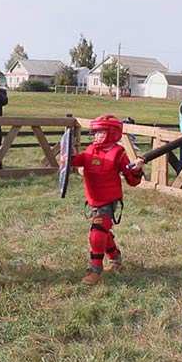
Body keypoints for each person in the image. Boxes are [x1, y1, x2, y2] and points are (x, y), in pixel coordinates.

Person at [65, 115, 144, 285]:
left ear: (111, 133)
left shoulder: (119, 153)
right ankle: (116, 259)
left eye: (100, 132)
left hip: (108, 201)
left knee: (97, 234)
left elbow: (133, 180)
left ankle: (95, 270)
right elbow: (78, 161)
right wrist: (69, 157)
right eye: (96, 132)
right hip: (93, 200)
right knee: (103, 232)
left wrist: (136, 169)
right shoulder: (91, 149)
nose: (96, 136)